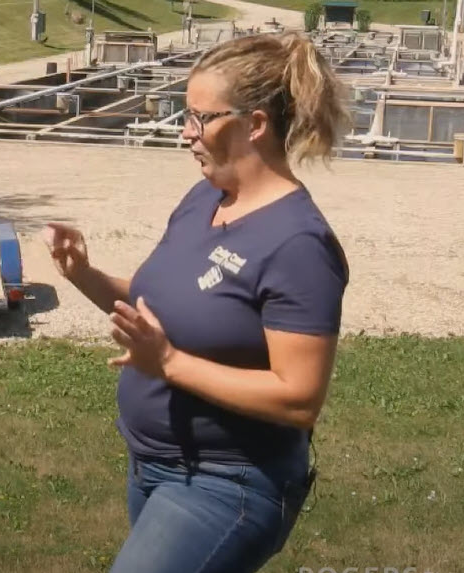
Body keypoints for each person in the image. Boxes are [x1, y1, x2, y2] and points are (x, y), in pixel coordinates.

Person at [45, 33, 350, 573]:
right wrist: (84, 275)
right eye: (185, 114)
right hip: (154, 469)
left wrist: (168, 364)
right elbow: (149, 308)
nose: (185, 132)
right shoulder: (204, 198)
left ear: (254, 124)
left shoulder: (299, 244)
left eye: (200, 117)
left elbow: (299, 399)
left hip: (230, 483)